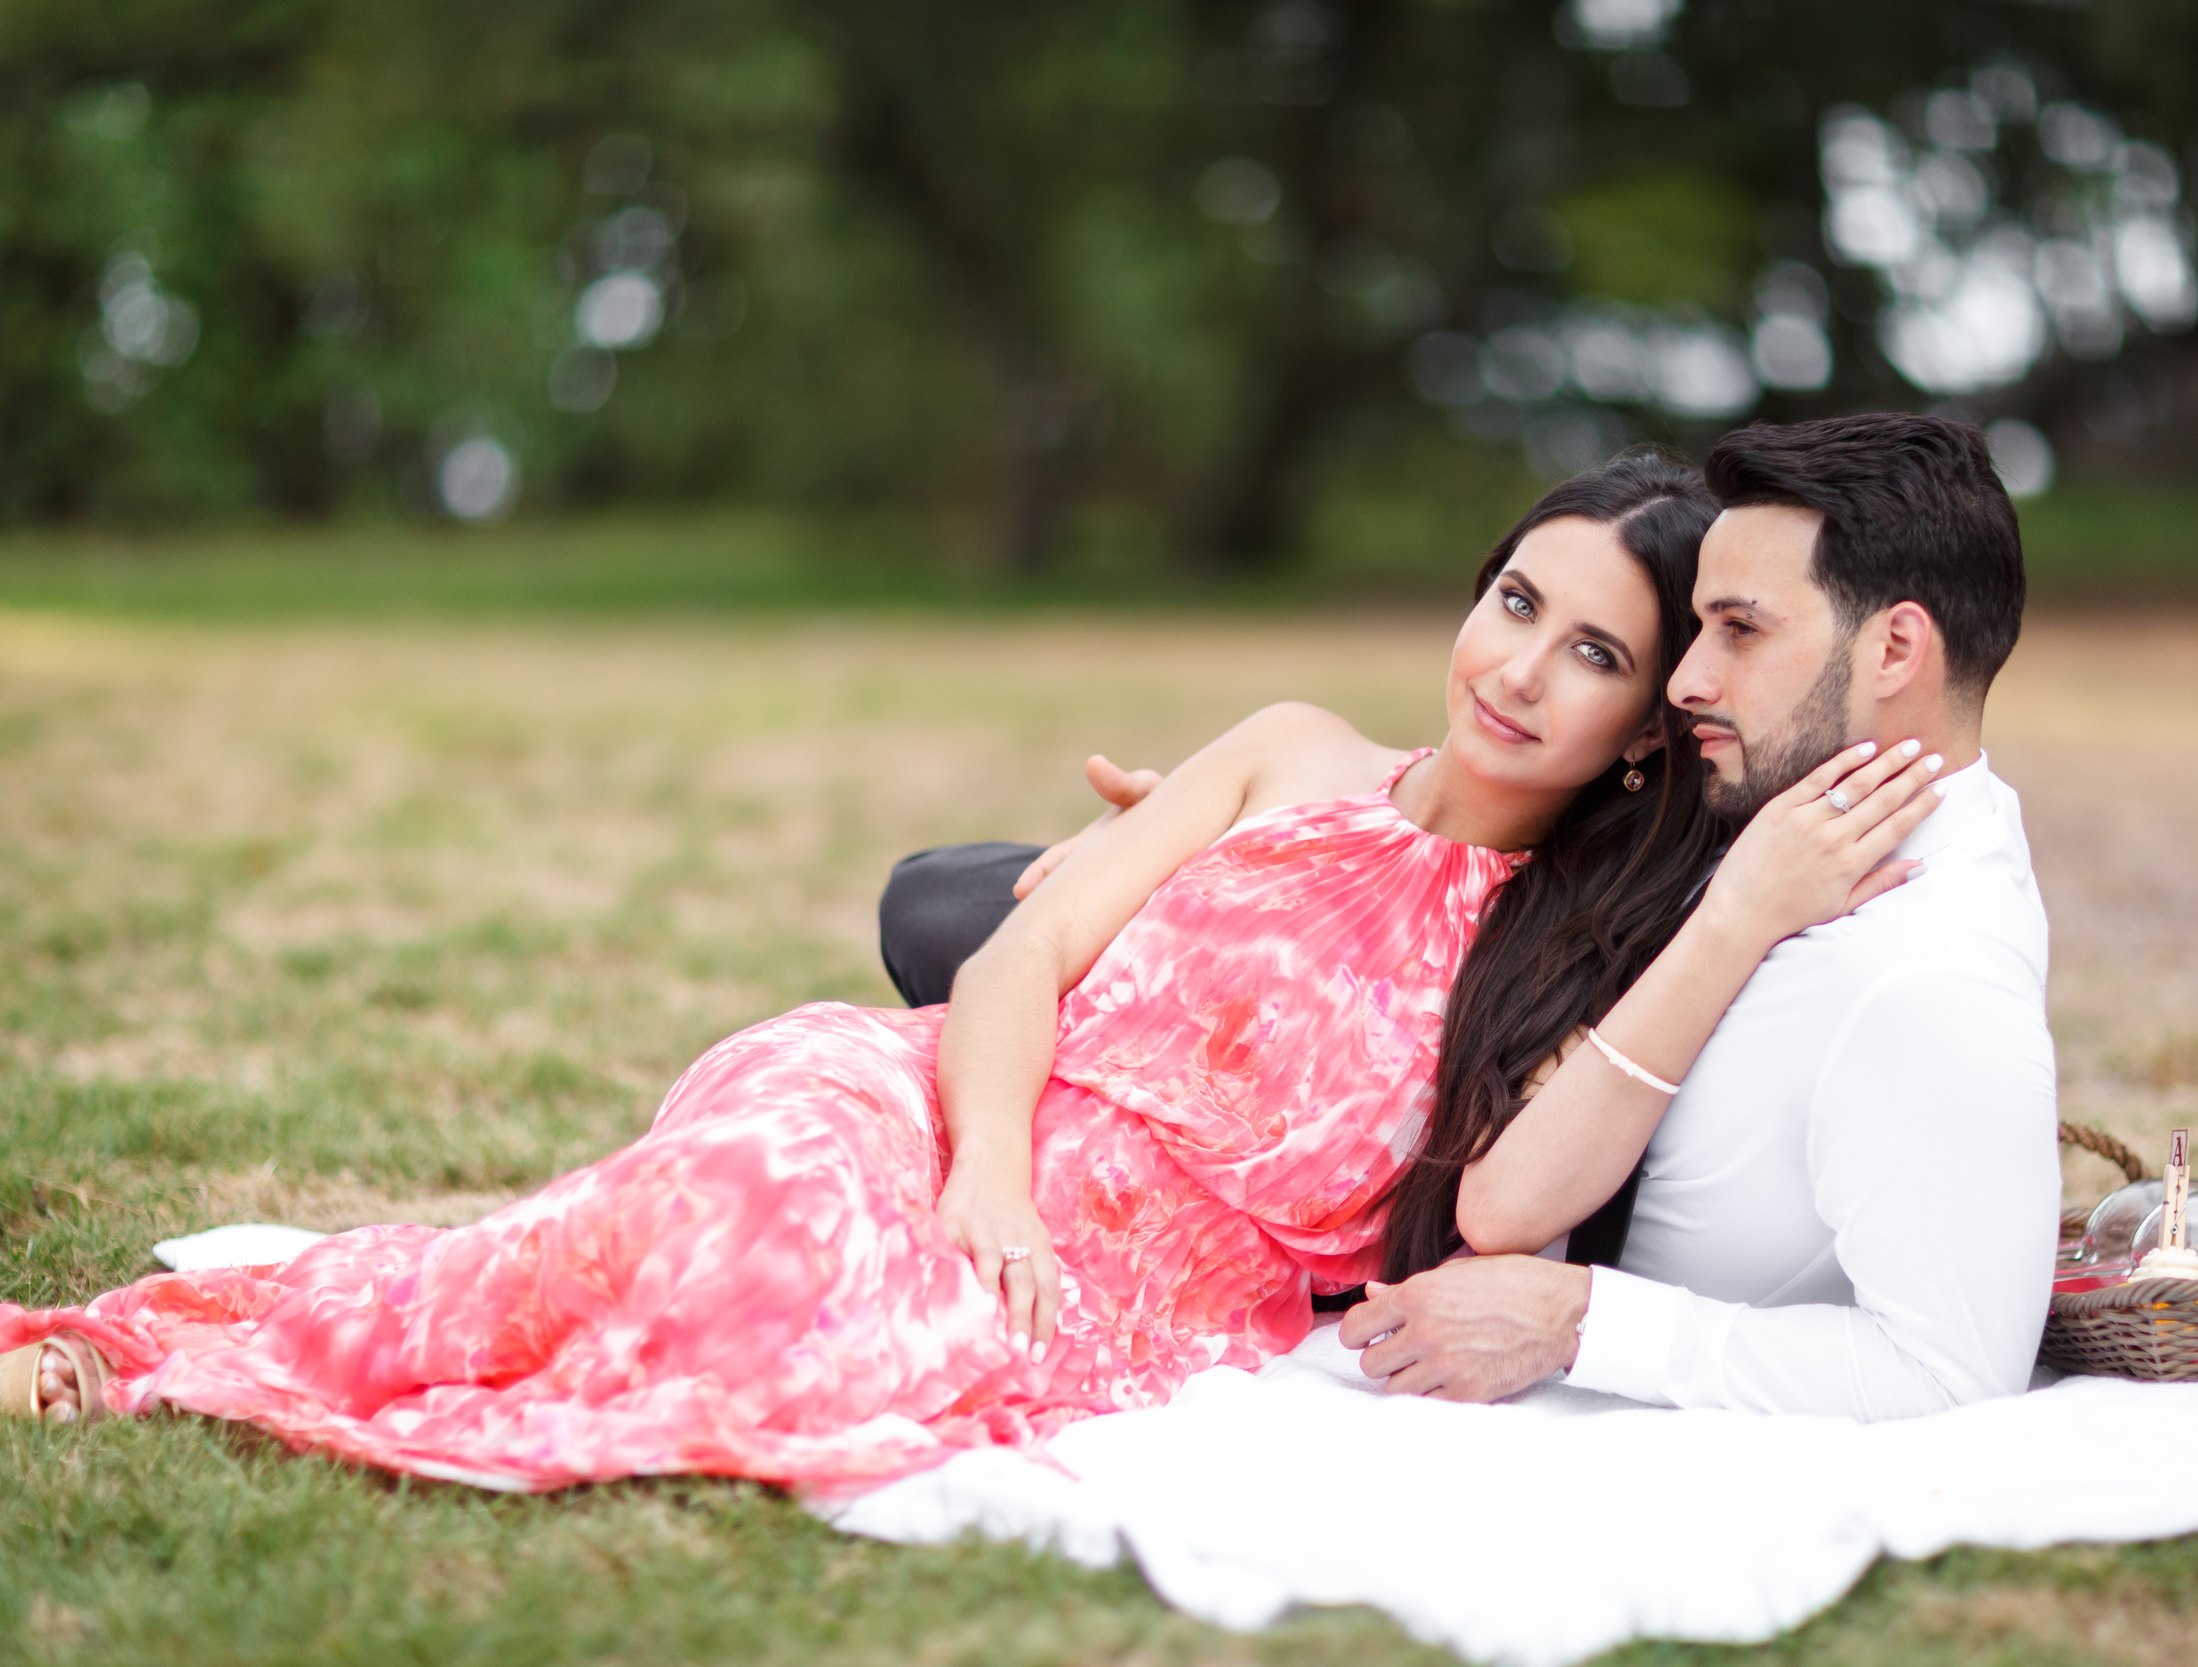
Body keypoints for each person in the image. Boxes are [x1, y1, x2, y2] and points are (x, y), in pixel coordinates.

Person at [0, 450, 1939, 1497]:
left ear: (1631, 725)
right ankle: (168, 1354)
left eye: (1589, 652)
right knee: (718, 1188)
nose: (1515, 665)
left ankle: (231, 1370)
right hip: (956, 1108)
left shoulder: (1573, 945)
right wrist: (980, 1167)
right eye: (1510, 598)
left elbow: (1512, 1201)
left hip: (1129, 1269)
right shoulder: (1287, 749)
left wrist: (1744, 906)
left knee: (776, 1310)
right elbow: (1027, 944)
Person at [887, 414, 2056, 1423]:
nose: (1691, 678)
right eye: (1693, 633)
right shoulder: (1767, 797)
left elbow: (1950, 1358)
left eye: (1737, 631)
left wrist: (1582, 1319)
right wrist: (1205, 870)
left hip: (1414, 1173)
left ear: (1898, 645)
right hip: (1272, 1022)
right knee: (948, 900)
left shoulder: (1920, 970)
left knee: (955, 923)